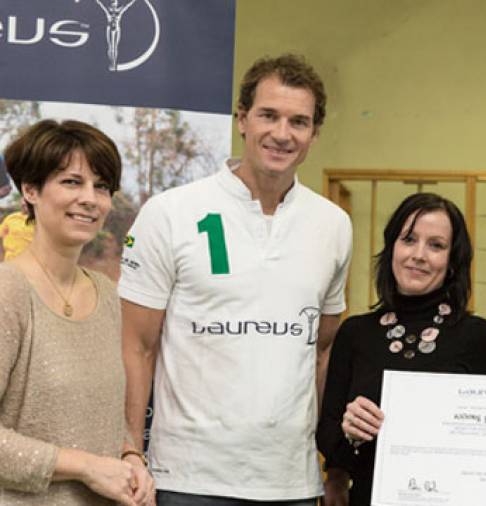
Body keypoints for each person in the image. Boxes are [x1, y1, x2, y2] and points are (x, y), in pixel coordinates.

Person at [119, 54, 352, 505]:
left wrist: (330, 464)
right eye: (269, 115)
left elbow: (322, 349)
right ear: (242, 119)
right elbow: (136, 346)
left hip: (291, 483)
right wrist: (130, 450)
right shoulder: (171, 213)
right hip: (187, 481)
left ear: (314, 133)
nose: (282, 134)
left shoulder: (333, 225)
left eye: (299, 121)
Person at [317, 193, 486, 506]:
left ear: (452, 261)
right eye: (408, 239)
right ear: (392, 247)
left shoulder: (481, 339)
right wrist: (349, 433)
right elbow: (329, 439)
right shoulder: (354, 333)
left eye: (436, 245)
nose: (419, 255)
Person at [0, 119, 154, 505]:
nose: (91, 199)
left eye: (101, 186)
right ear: (31, 190)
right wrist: (85, 466)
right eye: (72, 182)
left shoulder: (106, 294)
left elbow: (97, 416)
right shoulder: (8, 291)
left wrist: (129, 454)